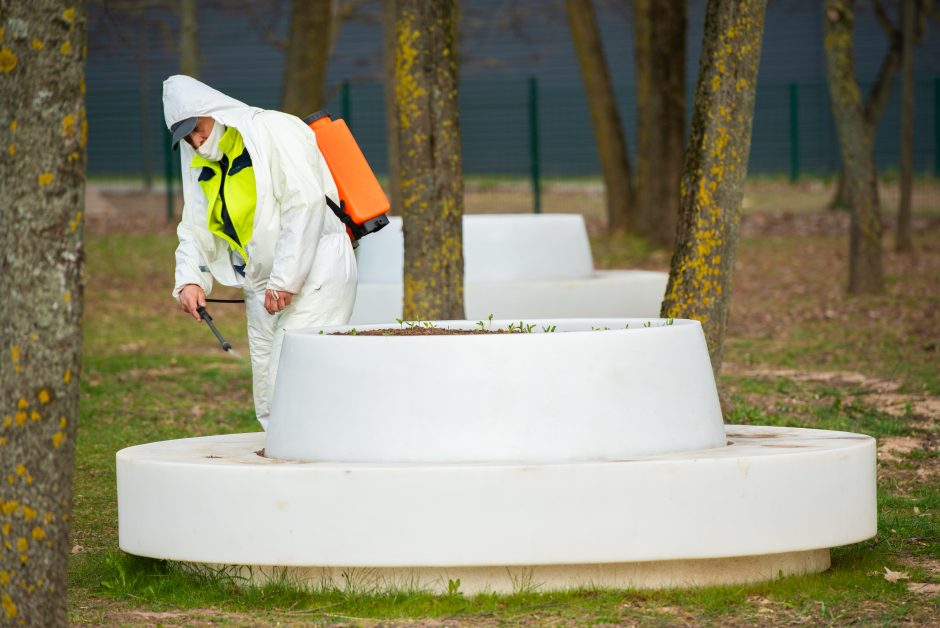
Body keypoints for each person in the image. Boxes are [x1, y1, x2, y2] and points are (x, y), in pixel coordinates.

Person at [162, 75, 357, 431]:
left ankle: (316, 459)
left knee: (295, 371)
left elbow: (305, 203)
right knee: (268, 387)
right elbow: (193, 228)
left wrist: (286, 279)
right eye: (187, 136)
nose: (196, 140)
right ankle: (282, 463)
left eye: (198, 128)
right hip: (260, 281)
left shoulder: (273, 129)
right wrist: (190, 280)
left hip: (317, 270)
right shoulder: (205, 167)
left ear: (215, 112)